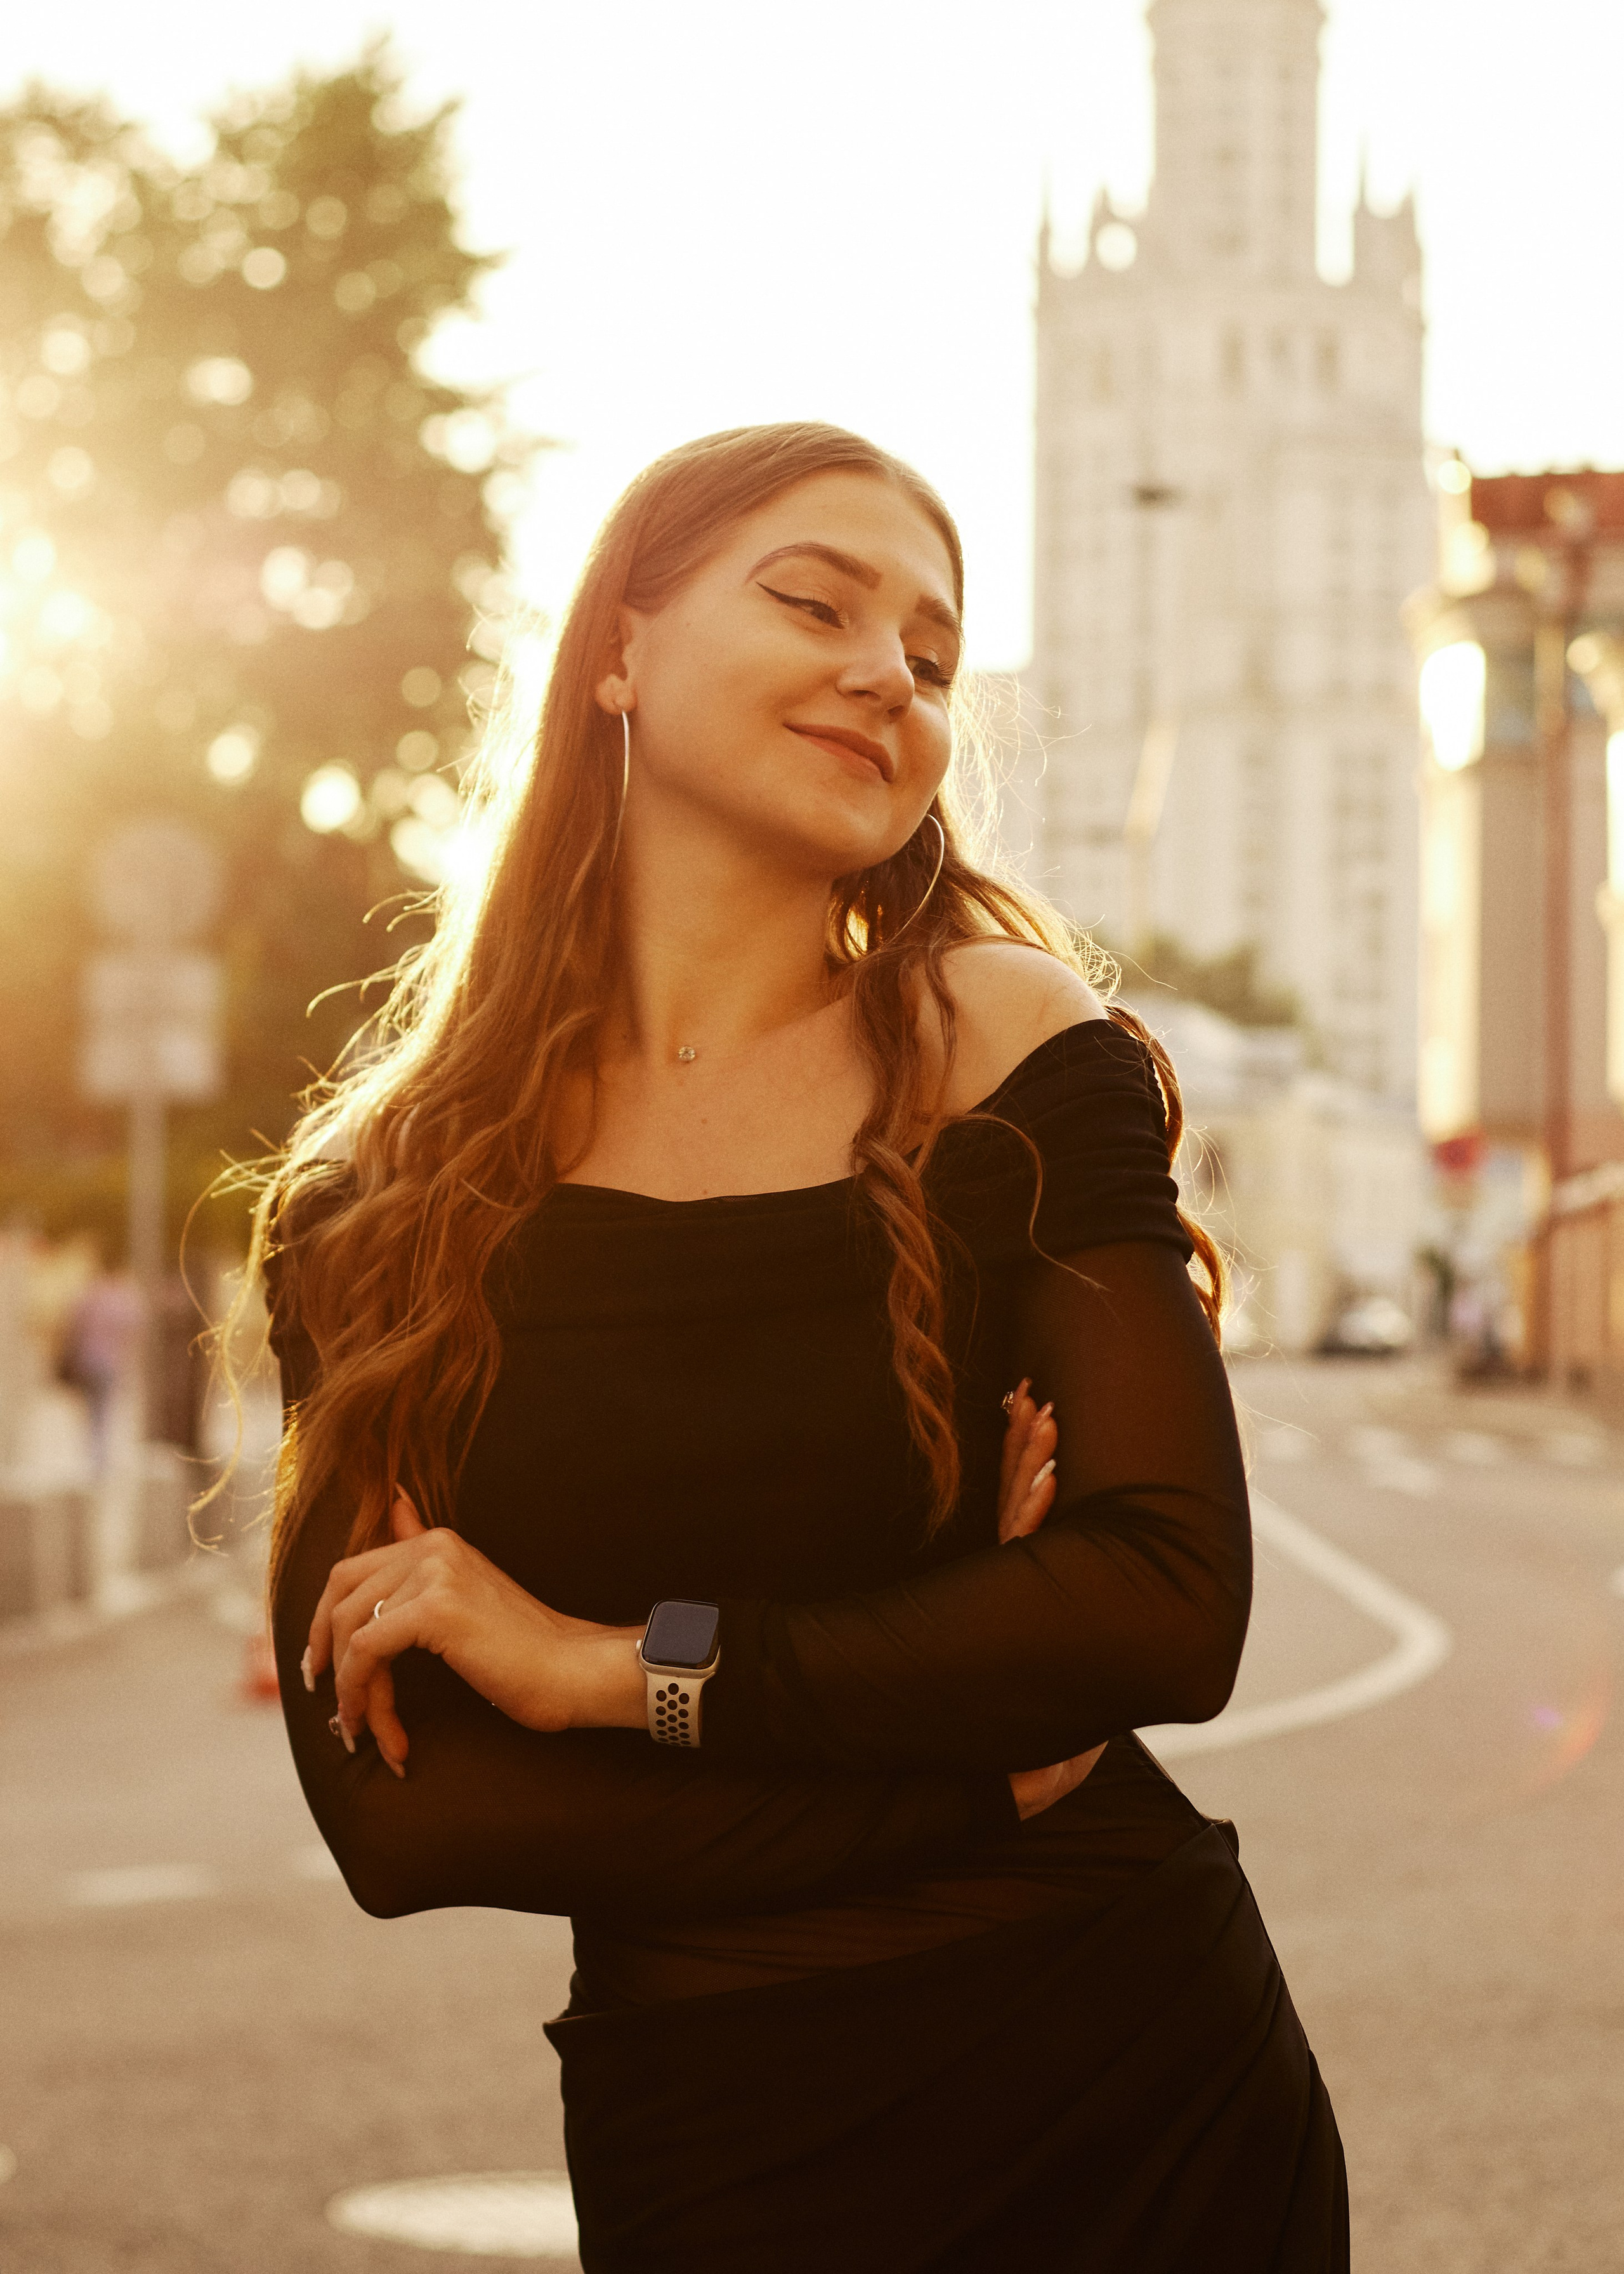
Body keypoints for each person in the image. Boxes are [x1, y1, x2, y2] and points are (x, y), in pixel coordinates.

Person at [254, 423, 1349, 2270]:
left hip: (1127, 2073)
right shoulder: (378, 1204)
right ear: (620, 645)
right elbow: (411, 1820)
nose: (890, 676)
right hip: (717, 2142)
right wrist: (972, 1759)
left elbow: (1163, 1606)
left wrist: (604, 1672)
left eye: (932, 653)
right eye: (816, 603)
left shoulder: (1006, 1049)